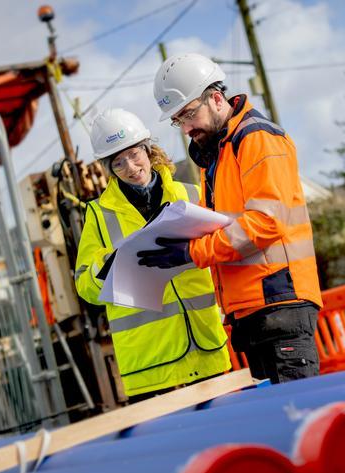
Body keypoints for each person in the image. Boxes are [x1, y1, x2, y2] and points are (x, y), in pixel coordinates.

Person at [138, 53, 322, 384]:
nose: (187, 128)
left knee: (297, 418)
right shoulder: (219, 153)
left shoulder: (256, 138)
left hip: (279, 302)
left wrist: (192, 252)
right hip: (254, 311)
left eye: (190, 114)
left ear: (217, 99)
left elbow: (266, 223)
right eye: (178, 121)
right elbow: (228, 225)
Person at [74, 108, 230, 399]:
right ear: (108, 170)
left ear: (148, 150)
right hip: (148, 364)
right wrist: (107, 265)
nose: (132, 168)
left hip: (204, 344)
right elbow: (84, 284)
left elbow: (222, 249)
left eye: (134, 155)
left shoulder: (191, 194)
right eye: (118, 163)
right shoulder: (98, 214)